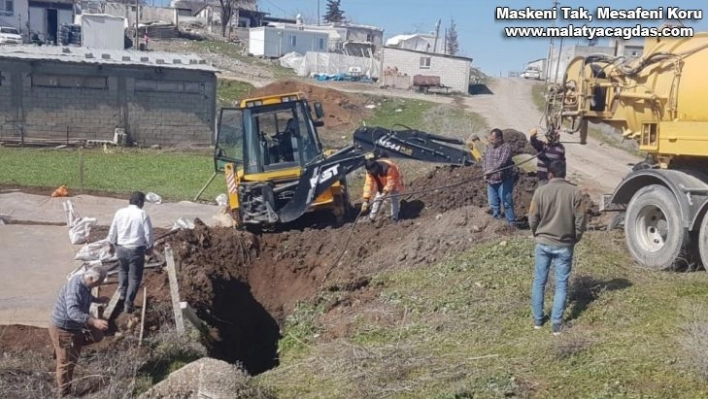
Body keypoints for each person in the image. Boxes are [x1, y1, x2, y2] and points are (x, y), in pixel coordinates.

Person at [528, 160, 587, 335]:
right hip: (565, 244)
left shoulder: (540, 192)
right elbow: (581, 218)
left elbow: (532, 217)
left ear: (550, 174)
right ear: (564, 174)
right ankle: (556, 324)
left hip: (543, 243)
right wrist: (576, 236)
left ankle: (538, 320)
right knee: (561, 284)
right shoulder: (575, 192)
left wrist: (536, 233)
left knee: (539, 281)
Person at [49, 266, 109, 397]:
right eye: (100, 282)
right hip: (63, 328)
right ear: (91, 278)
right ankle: (64, 393)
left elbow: (86, 295)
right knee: (66, 363)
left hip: (75, 327)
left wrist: (97, 300)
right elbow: (72, 312)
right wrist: (94, 321)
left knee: (96, 336)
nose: (101, 284)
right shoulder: (75, 288)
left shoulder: (84, 282)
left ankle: (63, 348)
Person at [108, 191, 154, 314]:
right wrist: (150, 247)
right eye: (143, 202)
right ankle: (128, 303)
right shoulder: (142, 214)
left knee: (123, 270)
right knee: (134, 278)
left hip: (121, 249)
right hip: (136, 250)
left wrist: (111, 245)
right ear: (140, 202)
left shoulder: (120, 212)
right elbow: (148, 233)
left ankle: (122, 295)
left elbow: (113, 230)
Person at [482, 128, 517, 226]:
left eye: (493, 140)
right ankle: (497, 224)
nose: (491, 141)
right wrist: (485, 171)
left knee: (506, 202)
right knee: (493, 203)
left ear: (500, 139)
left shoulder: (506, 147)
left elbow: (502, 162)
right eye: (490, 139)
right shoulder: (489, 147)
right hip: (491, 181)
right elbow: (484, 160)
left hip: (504, 180)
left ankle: (511, 224)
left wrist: (491, 171)